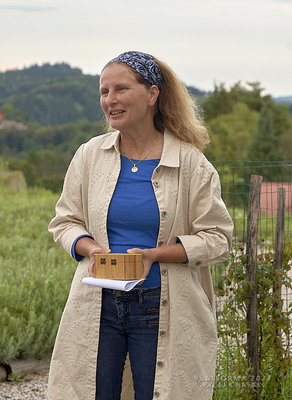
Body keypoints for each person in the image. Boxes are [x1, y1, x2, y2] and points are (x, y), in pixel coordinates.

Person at [47, 50, 233, 400]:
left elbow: (218, 239)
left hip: (161, 304)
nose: (110, 100)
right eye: (104, 91)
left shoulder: (191, 163)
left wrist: (155, 254)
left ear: (152, 94)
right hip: (97, 301)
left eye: (120, 89)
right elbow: (65, 221)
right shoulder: (89, 155)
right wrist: (90, 248)